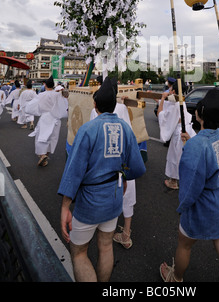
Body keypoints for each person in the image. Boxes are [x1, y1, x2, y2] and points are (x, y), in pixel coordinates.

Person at [58, 77, 146, 282]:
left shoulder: (88, 130)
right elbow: (137, 166)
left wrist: (65, 207)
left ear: (95, 104)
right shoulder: (125, 128)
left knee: (79, 252)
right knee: (106, 246)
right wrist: (122, 175)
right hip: (114, 197)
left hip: (90, 201)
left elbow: (74, 171)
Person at [160, 89, 219, 282]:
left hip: (200, 205)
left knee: (184, 245)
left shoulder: (196, 146)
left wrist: (183, 206)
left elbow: (190, 186)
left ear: (200, 114)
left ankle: (176, 277)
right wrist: (191, 144)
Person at [90, 78, 138, 249]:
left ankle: (102, 229)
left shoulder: (96, 110)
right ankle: (126, 233)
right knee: (128, 194)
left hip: (103, 161)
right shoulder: (122, 107)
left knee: (105, 193)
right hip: (123, 159)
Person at [157, 80, 196, 190]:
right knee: (187, 156)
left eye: (170, 89)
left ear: (173, 90)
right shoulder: (180, 100)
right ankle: (188, 179)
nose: (168, 90)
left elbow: (162, 115)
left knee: (176, 157)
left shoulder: (175, 104)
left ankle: (173, 182)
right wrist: (161, 99)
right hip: (189, 131)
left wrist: (163, 99)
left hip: (181, 133)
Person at [25, 75, 68, 167]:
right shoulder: (58, 95)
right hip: (55, 119)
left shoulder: (41, 95)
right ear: (53, 85)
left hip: (45, 118)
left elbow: (31, 106)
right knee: (52, 138)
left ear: (45, 85)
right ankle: (45, 157)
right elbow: (65, 104)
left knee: (41, 137)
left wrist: (28, 110)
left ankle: (42, 155)